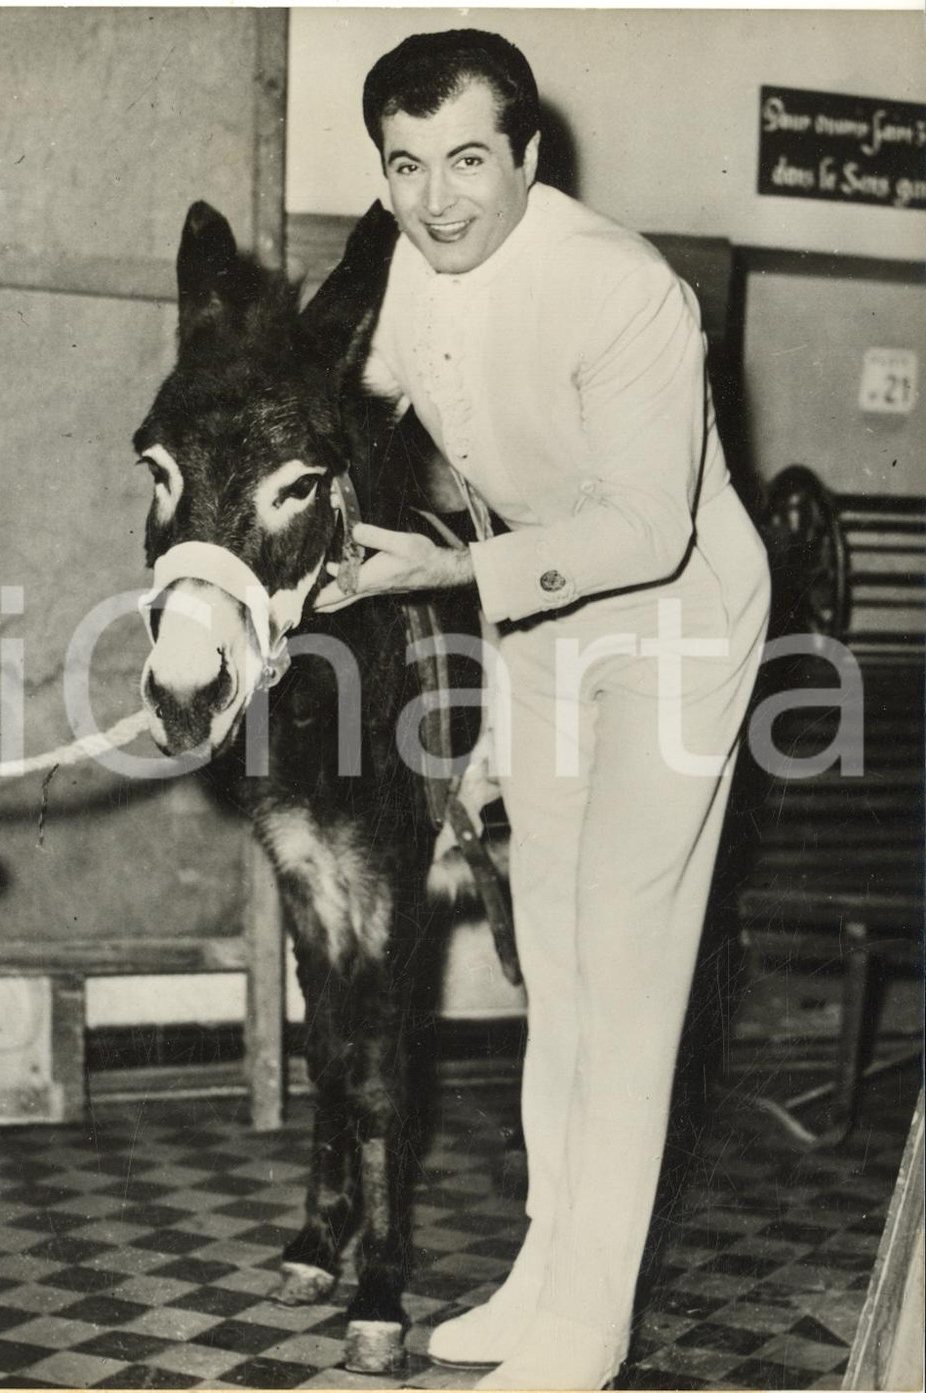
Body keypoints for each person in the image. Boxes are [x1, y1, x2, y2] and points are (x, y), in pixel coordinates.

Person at [315, 28, 771, 1391]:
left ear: (527, 156)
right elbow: (352, 411)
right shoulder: (410, 270)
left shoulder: (624, 290)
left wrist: (449, 569)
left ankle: (592, 1321)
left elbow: (644, 529)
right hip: (545, 623)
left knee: (625, 968)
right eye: (406, 165)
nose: (437, 198)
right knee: (556, 965)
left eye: (467, 160)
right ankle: (545, 1273)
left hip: (676, 623)